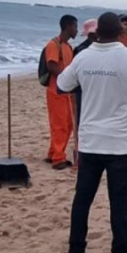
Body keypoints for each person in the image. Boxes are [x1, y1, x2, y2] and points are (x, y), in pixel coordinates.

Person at [57, 12, 127, 253]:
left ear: (97, 32)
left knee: (83, 199)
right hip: (120, 145)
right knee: (118, 204)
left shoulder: (84, 56)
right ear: (121, 34)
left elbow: (61, 85)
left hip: (90, 142)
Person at [43, 14, 79, 170]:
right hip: (56, 90)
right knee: (60, 125)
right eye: (75, 27)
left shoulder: (68, 47)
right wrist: (66, 77)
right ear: (68, 26)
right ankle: (58, 158)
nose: (76, 30)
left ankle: (53, 153)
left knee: (69, 123)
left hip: (67, 91)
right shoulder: (54, 44)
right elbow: (51, 65)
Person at [72, 18, 97, 128]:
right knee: (82, 119)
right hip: (83, 90)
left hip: (93, 89)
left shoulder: (81, 49)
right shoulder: (81, 50)